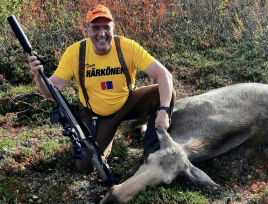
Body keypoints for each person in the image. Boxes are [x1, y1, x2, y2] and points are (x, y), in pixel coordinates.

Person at [28, 4, 175, 173]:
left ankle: (152, 158)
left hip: (126, 103)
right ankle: (117, 131)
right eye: (95, 28)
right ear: (88, 30)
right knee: (86, 166)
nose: (102, 33)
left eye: (106, 27)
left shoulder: (127, 47)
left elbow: (164, 75)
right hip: (97, 115)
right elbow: (49, 91)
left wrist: (163, 111)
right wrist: (38, 75)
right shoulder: (75, 53)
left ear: (113, 27)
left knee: (165, 93)